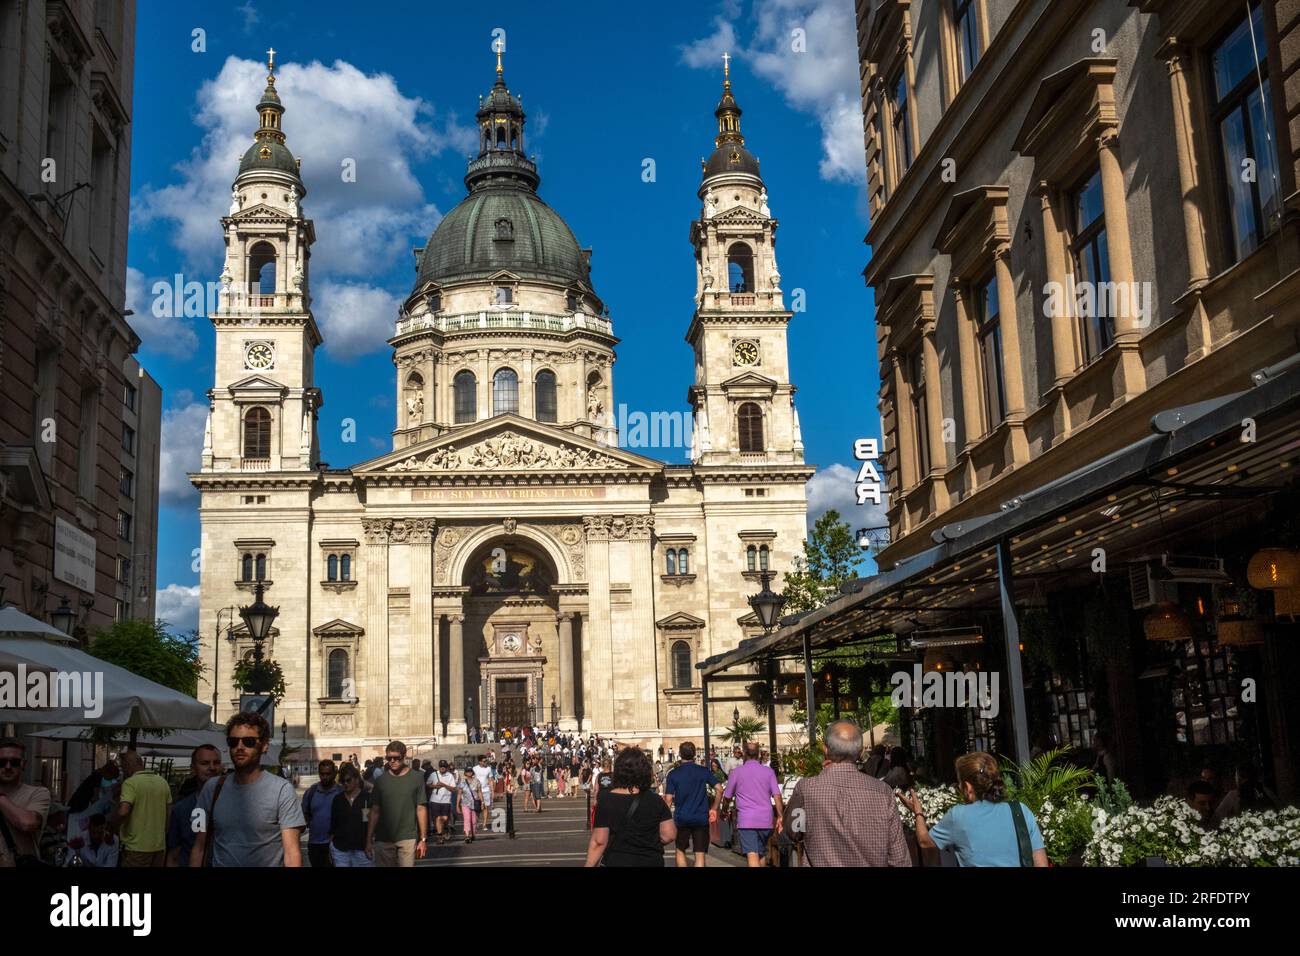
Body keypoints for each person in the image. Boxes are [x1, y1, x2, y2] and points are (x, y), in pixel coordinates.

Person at [782, 721, 911, 867]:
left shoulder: (807, 789)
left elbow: (793, 831)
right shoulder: (883, 792)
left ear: (825, 750)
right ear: (861, 752)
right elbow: (899, 858)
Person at [191, 712, 304, 866]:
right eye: (233, 741)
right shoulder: (211, 788)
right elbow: (199, 847)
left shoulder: (282, 790)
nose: (240, 747)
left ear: (264, 746)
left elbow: (292, 853)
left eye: (249, 741)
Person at [901, 751, 1048, 867]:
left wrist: (918, 813)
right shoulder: (1020, 810)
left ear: (968, 787)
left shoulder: (958, 816)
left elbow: (925, 842)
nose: (958, 787)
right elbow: (1041, 862)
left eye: (959, 783)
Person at [585, 747, 674, 867]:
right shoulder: (656, 800)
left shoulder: (606, 800)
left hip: (617, 860)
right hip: (650, 860)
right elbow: (669, 834)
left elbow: (599, 841)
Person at [719, 740, 783, 867]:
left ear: (744, 755)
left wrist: (724, 811)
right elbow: (777, 796)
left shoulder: (736, 773)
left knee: (752, 854)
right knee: (761, 854)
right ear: (758, 754)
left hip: (747, 820)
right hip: (766, 820)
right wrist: (780, 816)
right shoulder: (768, 772)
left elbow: (727, 797)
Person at [366, 740, 428, 867]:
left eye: (396, 758)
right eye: (389, 758)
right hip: (383, 838)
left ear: (404, 756)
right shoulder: (380, 781)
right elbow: (374, 811)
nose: (392, 761)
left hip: (408, 838)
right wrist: (368, 839)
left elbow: (421, 808)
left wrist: (423, 839)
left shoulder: (417, 778)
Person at [166, 743, 223, 866]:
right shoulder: (181, 809)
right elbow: (173, 855)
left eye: (216, 762)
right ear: (193, 768)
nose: (212, 767)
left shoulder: (235, 803)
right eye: (205, 763)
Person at [112, 751, 171, 867]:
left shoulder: (130, 783)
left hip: (136, 848)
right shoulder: (162, 782)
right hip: (159, 847)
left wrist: (113, 827)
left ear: (129, 764)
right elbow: (169, 813)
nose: (123, 770)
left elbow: (123, 811)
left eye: (123, 766)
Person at [663, 741, 716, 868]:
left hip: (682, 818)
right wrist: (714, 808)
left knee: (680, 850)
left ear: (680, 754)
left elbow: (669, 799)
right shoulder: (703, 771)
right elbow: (719, 789)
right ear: (694, 754)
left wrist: (664, 819)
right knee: (699, 854)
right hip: (701, 817)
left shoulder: (674, 774)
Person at [328, 764, 373, 866]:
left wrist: (370, 842)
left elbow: (372, 822)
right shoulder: (338, 799)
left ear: (357, 780)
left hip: (362, 849)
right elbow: (333, 825)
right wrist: (330, 847)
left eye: (348, 780)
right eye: (342, 781)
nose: (345, 784)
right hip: (340, 849)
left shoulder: (367, 797)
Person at [300, 759, 340, 868]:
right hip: (315, 843)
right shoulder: (311, 792)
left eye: (328, 774)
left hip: (335, 844)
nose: (325, 777)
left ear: (334, 774)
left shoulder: (340, 792)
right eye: (322, 774)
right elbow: (304, 814)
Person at [1213, 763, 1277, 825]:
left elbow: (1217, 818)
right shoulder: (1267, 791)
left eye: (1235, 775)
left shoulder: (1234, 795)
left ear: (1238, 777)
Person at [428, 760, 456, 845]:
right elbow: (428, 784)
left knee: (445, 818)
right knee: (438, 818)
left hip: (446, 800)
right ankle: (439, 837)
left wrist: (444, 785)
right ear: (439, 767)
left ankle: (446, 828)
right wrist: (435, 786)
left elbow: (453, 788)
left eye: (444, 767)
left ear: (446, 767)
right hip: (435, 800)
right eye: (441, 766)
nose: (442, 768)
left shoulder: (450, 775)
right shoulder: (433, 774)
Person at [458, 767, 480, 843]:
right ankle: (467, 836)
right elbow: (459, 794)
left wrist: (482, 802)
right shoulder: (462, 782)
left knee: (474, 821)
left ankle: (473, 834)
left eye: (470, 771)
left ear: (472, 772)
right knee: (467, 819)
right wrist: (457, 805)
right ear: (465, 773)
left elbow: (480, 792)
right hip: (465, 804)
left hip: (475, 804)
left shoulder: (477, 781)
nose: (469, 773)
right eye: (467, 771)